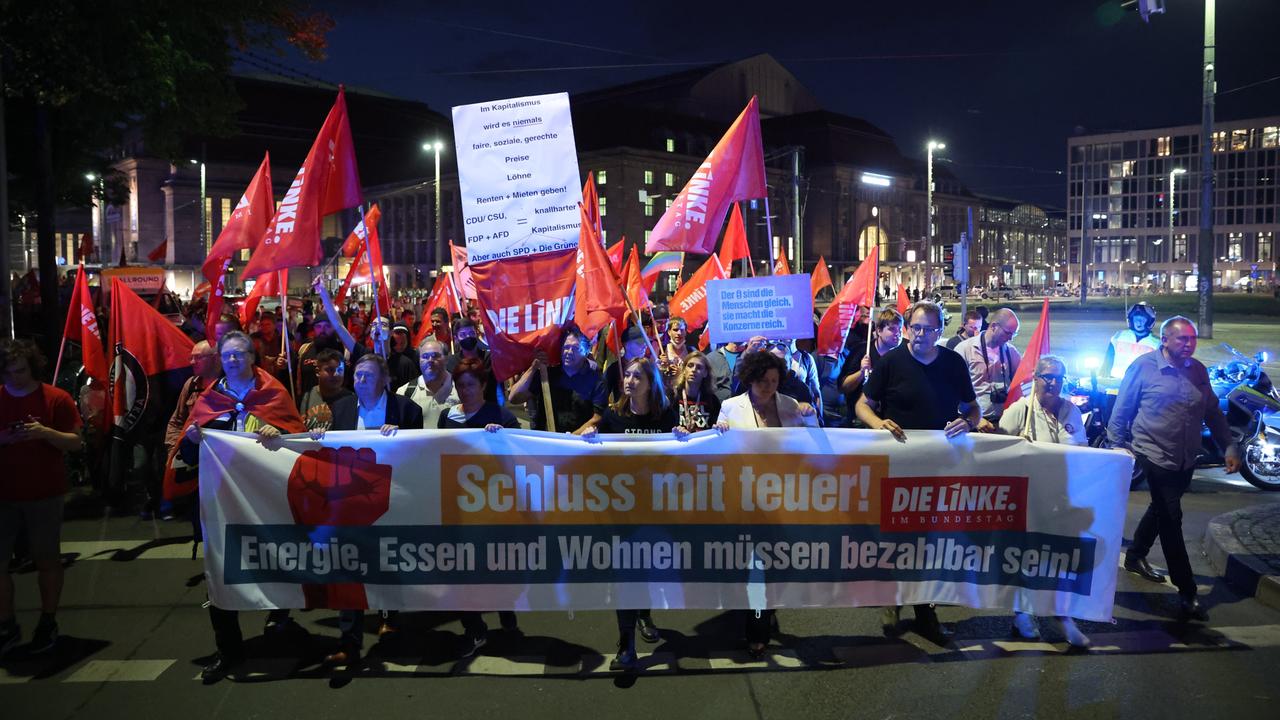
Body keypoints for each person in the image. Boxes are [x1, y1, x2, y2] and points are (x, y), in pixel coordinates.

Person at [178, 331, 308, 682]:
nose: (233, 360)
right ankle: (228, 650)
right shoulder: (210, 397)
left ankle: (280, 614)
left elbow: (295, 439)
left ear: (253, 357)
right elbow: (189, 451)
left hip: (264, 496)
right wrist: (192, 439)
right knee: (220, 571)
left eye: (239, 354)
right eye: (227, 355)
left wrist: (275, 433)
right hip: (222, 499)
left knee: (274, 557)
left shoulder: (273, 393)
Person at [855, 301, 980, 646]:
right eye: (915, 328)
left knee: (930, 541)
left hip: (938, 466)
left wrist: (967, 422)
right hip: (897, 464)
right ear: (907, 328)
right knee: (896, 536)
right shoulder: (892, 362)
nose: (920, 335)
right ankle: (892, 601)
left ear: (941, 331)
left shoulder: (953, 363)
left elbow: (972, 407)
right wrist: (878, 423)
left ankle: (926, 611)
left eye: (929, 329)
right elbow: (862, 404)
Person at [1107, 316, 1241, 622]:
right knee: (1171, 518)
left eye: (1192, 339)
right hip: (1152, 453)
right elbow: (1122, 410)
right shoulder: (1143, 367)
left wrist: (1229, 446)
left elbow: (1212, 412)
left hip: (1185, 458)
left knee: (1161, 508)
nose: (1189, 344)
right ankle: (1187, 590)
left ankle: (1136, 554)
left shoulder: (1198, 371)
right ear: (1165, 340)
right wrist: (1117, 447)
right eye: (1182, 339)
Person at [317, 353, 424, 668]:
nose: (359, 381)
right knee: (349, 569)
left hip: (394, 500)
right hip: (352, 503)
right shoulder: (342, 409)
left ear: (384, 379)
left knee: (387, 563)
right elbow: (330, 451)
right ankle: (348, 643)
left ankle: (389, 616)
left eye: (367, 376)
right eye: (357, 376)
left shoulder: (406, 410)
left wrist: (401, 438)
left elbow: (422, 455)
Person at [582, 357, 685, 670]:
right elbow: (593, 449)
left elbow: (676, 457)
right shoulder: (613, 415)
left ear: (649, 382)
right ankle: (626, 643)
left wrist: (681, 436)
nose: (628, 381)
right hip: (621, 511)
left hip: (655, 508)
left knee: (645, 570)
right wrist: (589, 437)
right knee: (625, 574)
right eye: (626, 375)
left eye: (636, 376)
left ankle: (645, 613)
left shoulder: (667, 414)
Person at [713, 350, 817, 658]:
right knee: (752, 566)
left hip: (783, 499)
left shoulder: (789, 405)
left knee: (777, 565)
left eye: (774, 381)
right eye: (763, 381)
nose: (769, 386)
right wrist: (719, 431)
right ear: (750, 379)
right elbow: (716, 448)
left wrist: (810, 417)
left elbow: (814, 443)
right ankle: (755, 624)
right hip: (744, 500)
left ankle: (767, 610)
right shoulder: (731, 407)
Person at [997, 355, 1091, 648]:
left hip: (1060, 500)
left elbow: (1082, 451)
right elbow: (999, 448)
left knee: (1057, 561)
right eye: (1047, 377)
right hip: (1026, 501)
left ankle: (1061, 615)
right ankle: (1022, 614)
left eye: (1059, 378)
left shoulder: (1070, 412)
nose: (1053, 383)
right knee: (1025, 558)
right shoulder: (1019, 411)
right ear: (1034, 378)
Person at [0, 339, 83, 656]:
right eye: (8, 372)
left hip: (43, 493)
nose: (15, 378)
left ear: (32, 368)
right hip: (4, 494)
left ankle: (47, 621)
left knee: (47, 560)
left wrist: (45, 433)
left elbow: (75, 443)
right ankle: (6, 624)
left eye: (20, 371)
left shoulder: (56, 399)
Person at [436, 359, 521, 655]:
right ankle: (474, 628)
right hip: (457, 509)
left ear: (483, 386)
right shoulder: (447, 417)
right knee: (463, 571)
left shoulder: (501, 418)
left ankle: (505, 608)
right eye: (460, 385)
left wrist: (502, 442)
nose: (465, 390)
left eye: (471, 384)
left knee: (493, 568)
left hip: (491, 508)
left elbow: (517, 462)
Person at [508, 326, 606, 434]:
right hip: (546, 440)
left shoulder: (596, 380)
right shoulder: (547, 374)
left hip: (578, 444)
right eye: (566, 347)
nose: (568, 352)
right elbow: (514, 398)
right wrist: (533, 367)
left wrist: (568, 440)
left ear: (586, 352)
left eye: (575, 348)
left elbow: (597, 418)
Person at [955, 308, 1022, 427]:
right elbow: (955, 390)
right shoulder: (965, 349)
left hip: (1006, 420)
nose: (1011, 338)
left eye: (1014, 334)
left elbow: (1021, 384)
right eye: (1008, 333)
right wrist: (974, 419)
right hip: (976, 423)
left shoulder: (1011, 352)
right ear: (994, 326)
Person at [838, 308, 903, 426]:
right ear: (879, 330)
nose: (897, 334)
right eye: (892, 329)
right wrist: (861, 372)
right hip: (859, 421)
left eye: (900, 329)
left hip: (890, 421)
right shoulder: (861, 351)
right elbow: (843, 387)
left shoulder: (902, 354)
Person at [396, 338, 458, 428]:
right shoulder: (404, 393)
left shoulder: (461, 388)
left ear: (446, 359)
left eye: (435, 356)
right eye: (424, 356)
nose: (430, 360)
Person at [297, 349, 352, 431]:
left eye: (340, 370)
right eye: (330, 370)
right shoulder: (306, 397)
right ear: (317, 372)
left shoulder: (351, 400)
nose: (336, 374)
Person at [1101, 302, 1159, 379]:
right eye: (1136, 318)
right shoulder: (1119, 336)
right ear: (1131, 320)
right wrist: (1102, 376)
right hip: (1115, 381)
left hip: (1141, 384)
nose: (1139, 322)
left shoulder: (1157, 343)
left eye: (1142, 318)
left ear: (1149, 320)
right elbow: (1108, 360)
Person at [673, 352, 721, 431]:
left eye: (699, 367)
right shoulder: (673, 396)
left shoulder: (712, 400)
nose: (694, 370)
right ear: (684, 370)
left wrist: (720, 426)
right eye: (690, 366)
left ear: (705, 373)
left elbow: (716, 428)